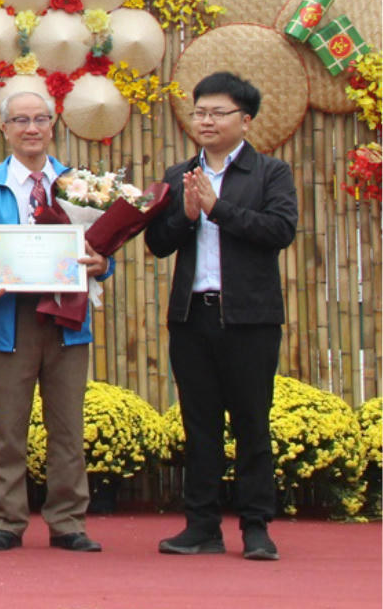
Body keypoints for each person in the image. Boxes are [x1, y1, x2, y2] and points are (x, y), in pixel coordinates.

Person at [145, 72, 297, 562]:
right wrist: (187, 215)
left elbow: (280, 230)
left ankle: (256, 527)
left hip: (250, 319)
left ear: (245, 120)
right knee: (200, 425)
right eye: (200, 112)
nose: (206, 121)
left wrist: (218, 208)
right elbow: (157, 243)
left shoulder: (270, 173)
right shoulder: (179, 175)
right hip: (192, 317)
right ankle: (201, 526)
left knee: (252, 423)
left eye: (218, 113)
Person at [0, 89, 110, 553]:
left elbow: (103, 248)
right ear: (4, 128)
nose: (31, 128)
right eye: (20, 120)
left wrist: (102, 264)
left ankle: (68, 521)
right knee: (8, 428)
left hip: (66, 318)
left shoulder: (79, 185)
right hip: (7, 318)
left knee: (67, 427)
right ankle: (7, 520)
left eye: (40, 119)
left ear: (52, 125)